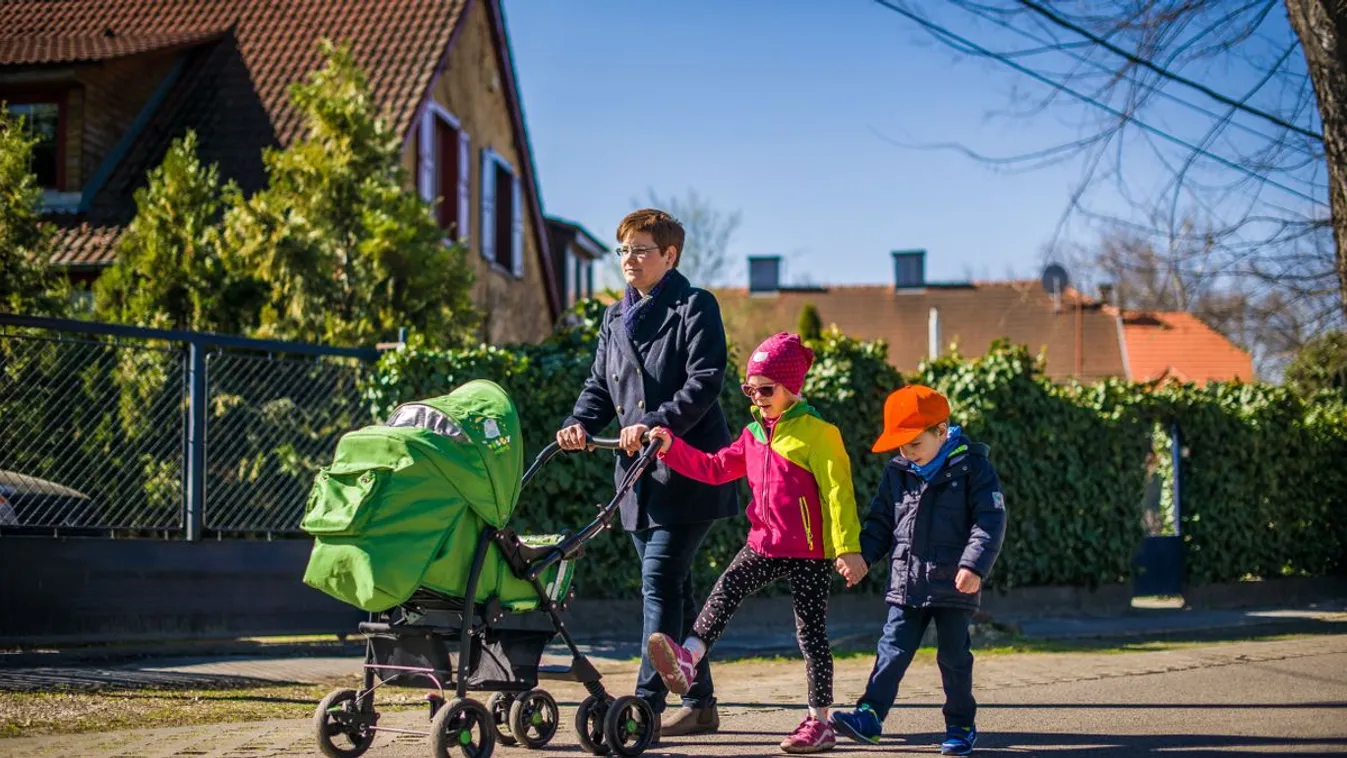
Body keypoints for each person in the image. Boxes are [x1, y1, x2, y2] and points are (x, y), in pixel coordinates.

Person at [556, 208, 738, 738]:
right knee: (672, 589)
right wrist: (577, 423)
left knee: (658, 582)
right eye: (623, 251)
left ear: (669, 255)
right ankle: (700, 703)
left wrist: (656, 423)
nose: (628, 261)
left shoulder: (694, 306)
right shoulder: (614, 317)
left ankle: (645, 705)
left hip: (688, 471)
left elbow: (705, 380)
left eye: (640, 250)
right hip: (637, 476)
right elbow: (598, 386)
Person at [644, 332, 866, 754]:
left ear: (792, 388)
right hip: (763, 542)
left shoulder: (819, 434)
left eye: (767, 389)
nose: (758, 396)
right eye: (751, 389)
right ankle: (688, 658)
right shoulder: (752, 435)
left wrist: (846, 549)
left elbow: (840, 494)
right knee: (724, 590)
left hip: (811, 552)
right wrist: (671, 448)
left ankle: (820, 723)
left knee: (811, 634)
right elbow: (713, 469)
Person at [829, 385, 1007, 757]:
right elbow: (880, 521)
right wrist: (863, 557)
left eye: (913, 443)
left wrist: (974, 565)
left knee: (954, 657)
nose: (906, 452)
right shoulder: (898, 471)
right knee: (891, 649)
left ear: (941, 432)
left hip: (954, 585)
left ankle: (960, 725)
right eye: (900, 445)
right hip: (906, 582)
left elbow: (989, 520)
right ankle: (870, 716)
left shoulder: (972, 467)